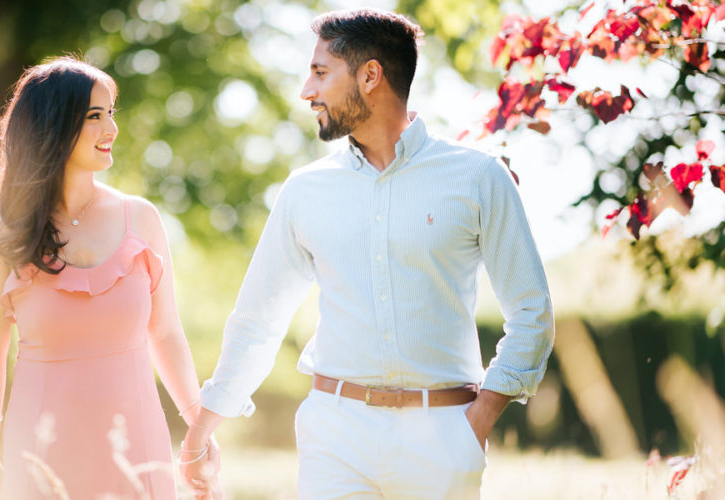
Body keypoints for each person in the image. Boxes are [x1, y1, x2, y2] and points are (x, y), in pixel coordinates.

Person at [181, 8, 555, 499]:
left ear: (371, 75)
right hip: (334, 435)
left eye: (319, 73)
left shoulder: (478, 178)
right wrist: (203, 428)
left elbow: (532, 311)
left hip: (442, 436)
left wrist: (478, 420)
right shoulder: (305, 191)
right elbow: (259, 318)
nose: (306, 91)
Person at [0, 56, 212, 499]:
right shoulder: (1, 235)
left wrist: (199, 427)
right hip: (40, 454)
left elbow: (167, 331)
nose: (112, 130)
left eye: (111, 114)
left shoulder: (142, 219)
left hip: (135, 449)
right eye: (95, 117)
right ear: (53, 125)